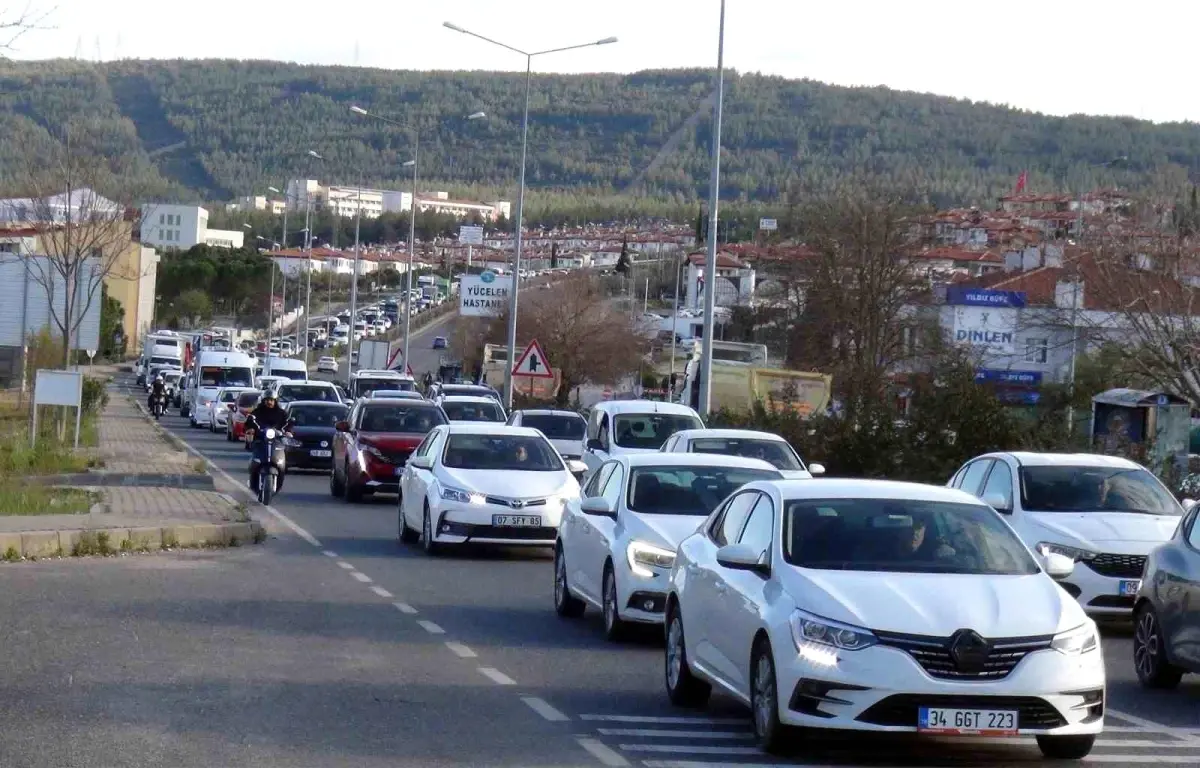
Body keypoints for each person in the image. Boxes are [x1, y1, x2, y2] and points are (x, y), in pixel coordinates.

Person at [246, 393, 293, 492]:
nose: (269, 402)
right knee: (255, 455)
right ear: (263, 401)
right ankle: (253, 476)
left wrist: (288, 431)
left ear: (275, 401)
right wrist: (251, 428)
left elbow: (288, 424)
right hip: (261, 439)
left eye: (271, 400)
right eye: (267, 400)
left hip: (277, 440)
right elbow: (250, 421)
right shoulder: (257, 412)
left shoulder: (281, 413)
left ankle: (281, 471)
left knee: (284, 454)